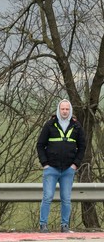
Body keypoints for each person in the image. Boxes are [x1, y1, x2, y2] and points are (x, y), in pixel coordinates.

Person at [35, 99, 86, 233]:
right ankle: (43, 224)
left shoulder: (76, 126)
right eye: (62, 109)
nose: (64, 111)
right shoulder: (50, 125)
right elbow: (40, 145)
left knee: (66, 199)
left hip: (68, 169)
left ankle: (65, 226)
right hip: (51, 168)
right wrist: (44, 163)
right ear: (58, 110)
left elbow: (82, 146)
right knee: (47, 197)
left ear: (70, 111)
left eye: (67, 109)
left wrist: (76, 164)